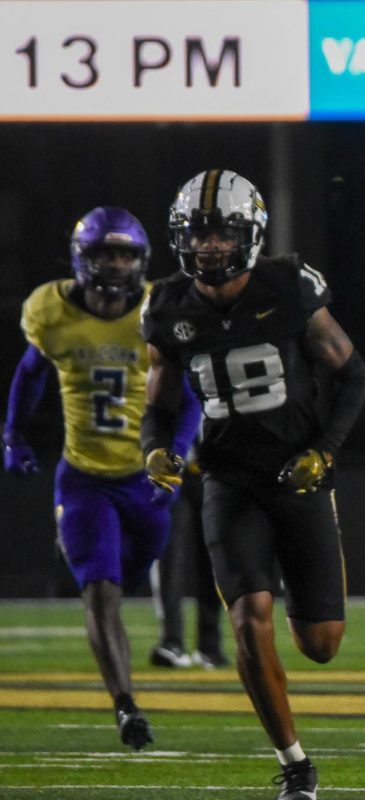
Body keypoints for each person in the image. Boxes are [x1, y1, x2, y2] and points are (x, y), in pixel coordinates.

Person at [140, 170, 365, 800]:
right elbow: (158, 407)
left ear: (251, 234)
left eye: (222, 232)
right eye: (199, 233)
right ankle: (296, 767)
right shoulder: (166, 306)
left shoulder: (288, 285)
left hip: (295, 475)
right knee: (249, 617)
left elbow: (354, 377)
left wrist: (323, 454)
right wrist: (155, 449)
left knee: (320, 643)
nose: (210, 246)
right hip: (227, 481)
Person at [3, 206, 199, 750]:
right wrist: (13, 434)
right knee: (101, 592)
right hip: (85, 477)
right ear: (80, 258)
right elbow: (30, 371)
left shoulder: (159, 309)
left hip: (145, 478)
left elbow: (188, 399)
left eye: (125, 254)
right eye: (104, 253)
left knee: (134, 573)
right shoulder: (51, 309)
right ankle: (126, 705)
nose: (115, 264)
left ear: (141, 261)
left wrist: (175, 453)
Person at [148, 444, 228, 670]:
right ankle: (171, 642)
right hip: (174, 476)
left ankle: (210, 645)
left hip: (212, 475)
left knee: (214, 561)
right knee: (169, 559)